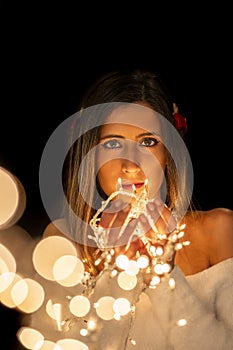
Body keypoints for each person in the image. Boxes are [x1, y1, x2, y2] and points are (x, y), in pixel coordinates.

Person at [18, 69, 233, 349]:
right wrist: (118, 279)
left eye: (148, 142)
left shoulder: (219, 231)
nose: (131, 164)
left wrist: (163, 276)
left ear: (168, 153)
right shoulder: (65, 240)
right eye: (113, 143)